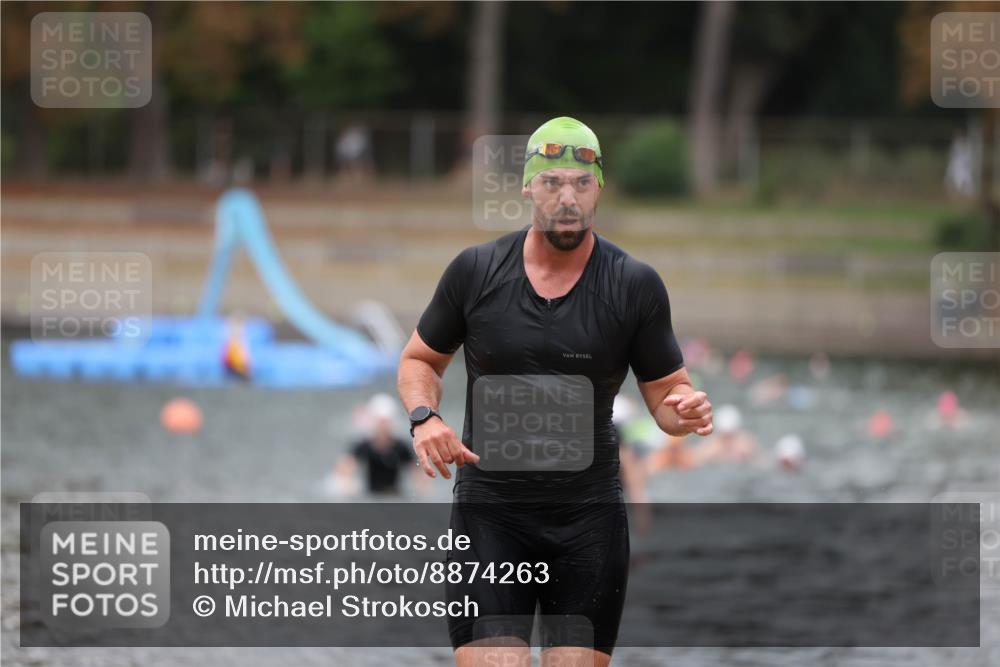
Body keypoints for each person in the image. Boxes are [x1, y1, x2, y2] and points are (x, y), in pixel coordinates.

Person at [397, 116, 714, 667]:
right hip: (490, 517)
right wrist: (426, 417)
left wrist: (685, 410)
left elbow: (667, 397)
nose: (567, 198)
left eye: (581, 184)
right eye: (553, 183)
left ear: (599, 190)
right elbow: (419, 361)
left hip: (587, 521)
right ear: (527, 188)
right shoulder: (476, 272)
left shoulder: (634, 285)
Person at [333, 393, 427, 497]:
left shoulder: (400, 447)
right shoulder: (364, 446)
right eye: (380, 422)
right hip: (371, 496)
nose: (383, 427)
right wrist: (346, 486)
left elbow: (417, 473)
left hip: (394, 495)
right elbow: (345, 469)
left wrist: (421, 491)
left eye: (386, 422)